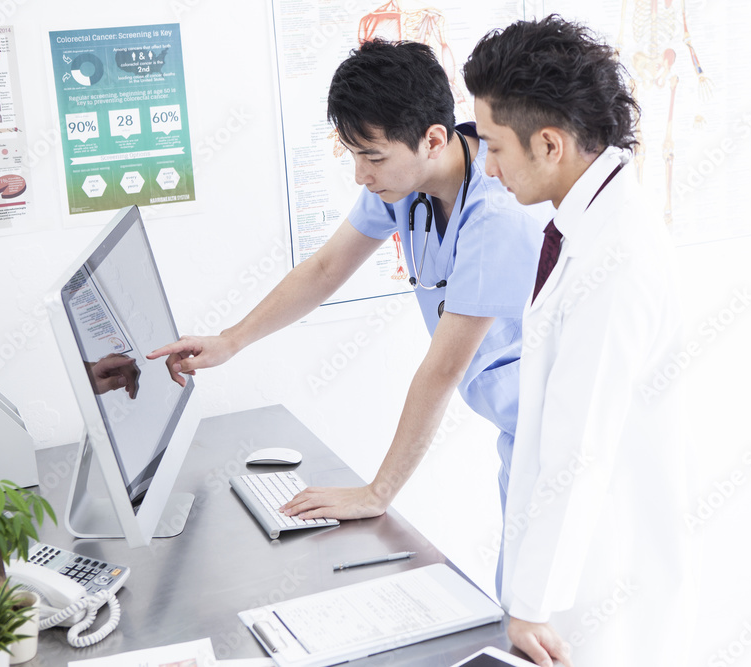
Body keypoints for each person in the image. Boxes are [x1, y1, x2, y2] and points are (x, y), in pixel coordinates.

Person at [148, 41, 541, 542]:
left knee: (538, 603)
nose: (361, 174)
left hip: (560, 425)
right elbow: (326, 268)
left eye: (372, 157)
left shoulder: (495, 216)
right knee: (525, 595)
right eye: (355, 156)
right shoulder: (405, 185)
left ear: (433, 139)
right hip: (518, 425)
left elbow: (443, 369)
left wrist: (377, 493)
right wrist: (231, 340)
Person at [464, 16, 695, 667]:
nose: (486, 167)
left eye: (495, 146)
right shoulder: (587, 224)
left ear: (550, 143)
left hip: (602, 582)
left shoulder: (614, 256)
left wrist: (531, 601)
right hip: (582, 565)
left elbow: (579, 442)